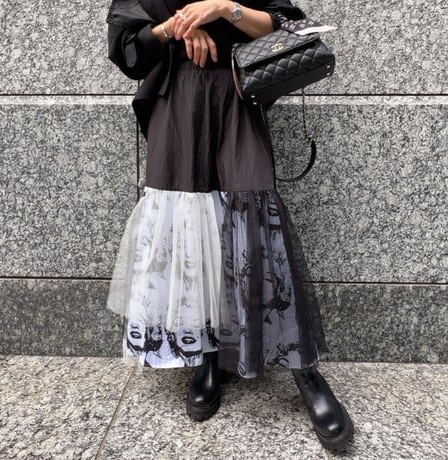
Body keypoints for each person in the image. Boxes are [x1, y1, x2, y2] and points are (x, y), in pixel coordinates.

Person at [106, 0, 354, 452]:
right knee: (190, 233)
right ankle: (207, 354)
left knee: (256, 224)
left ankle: (304, 369)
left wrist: (223, 9)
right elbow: (128, 51)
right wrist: (177, 26)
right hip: (177, 99)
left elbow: (285, 24)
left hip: (238, 95)